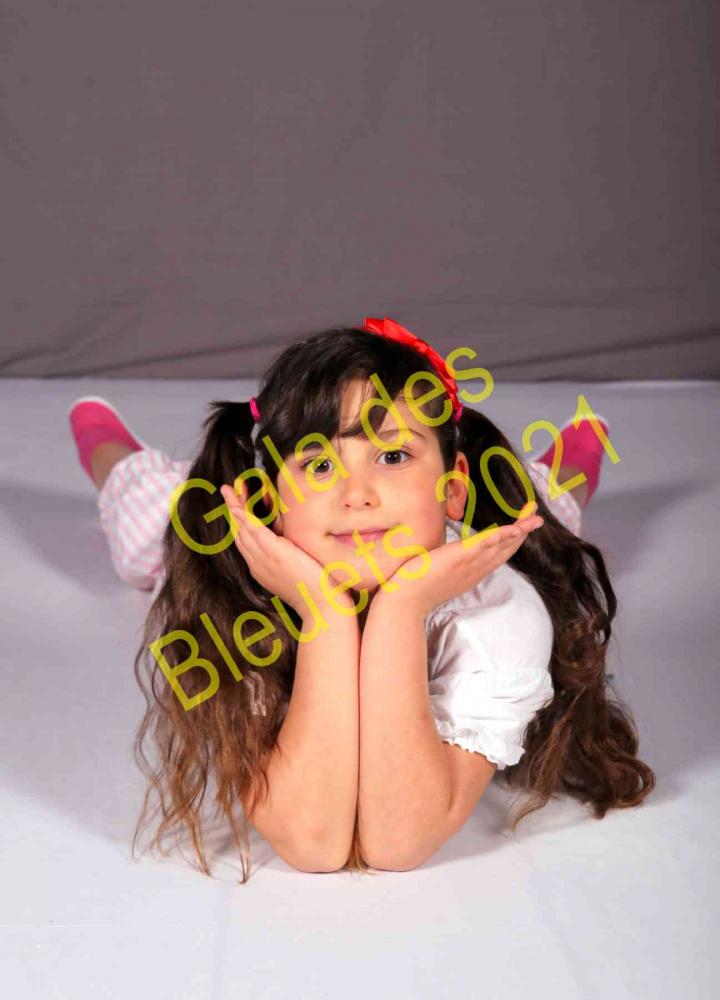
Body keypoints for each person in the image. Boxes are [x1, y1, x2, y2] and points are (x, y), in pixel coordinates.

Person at [68, 317, 655, 881]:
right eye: (320, 464)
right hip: (243, 534)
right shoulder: (231, 591)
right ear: (273, 504)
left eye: (392, 456)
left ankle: (575, 451)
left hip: (451, 539)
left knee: (545, 508)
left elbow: (399, 840)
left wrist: (401, 609)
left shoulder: (498, 612)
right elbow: (312, 842)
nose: (356, 495)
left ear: (452, 491)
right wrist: (322, 612)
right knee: (149, 518)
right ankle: (115, 449)